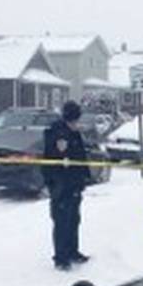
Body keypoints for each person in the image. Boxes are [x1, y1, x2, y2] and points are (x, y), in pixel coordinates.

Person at [43, 101, 92, 270]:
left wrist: (85, 176)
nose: (77, 123)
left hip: (74, 184)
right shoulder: (57, 134)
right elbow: (55, 159)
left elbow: (80, 156)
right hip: (61, 185)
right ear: (69, 118)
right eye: (75, 120)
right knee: (62, 221)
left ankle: (72, 251)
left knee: (74, 220)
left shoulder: (74, 133)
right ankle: (61, 258)